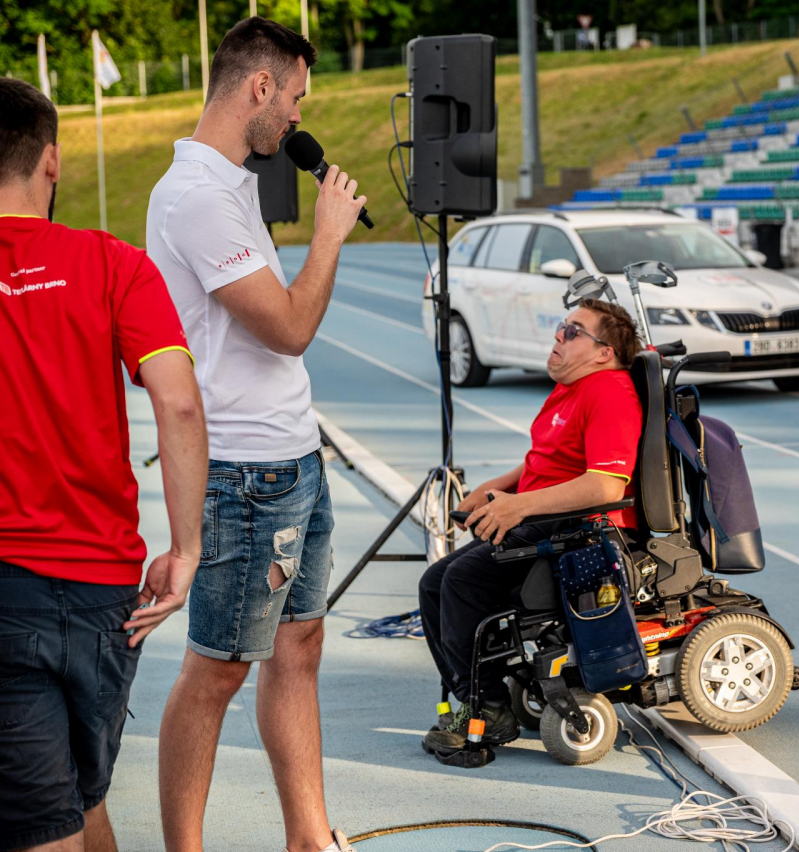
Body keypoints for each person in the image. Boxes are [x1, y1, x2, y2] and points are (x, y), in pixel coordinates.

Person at [144, 18, 366, 852]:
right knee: (216, 671)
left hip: (293, 458)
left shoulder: (232, 184)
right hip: (243, 475)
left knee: (299, 646)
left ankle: (309, 837)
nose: (299, 117)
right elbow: (289, 328)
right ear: (259, 87)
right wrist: (330, 233)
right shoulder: (197, 198)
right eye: (296, 96)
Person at [0, 79, 207, 852]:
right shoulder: (115, 264)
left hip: (7, 587)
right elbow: (179, 404)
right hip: (103, 589)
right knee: (80, 804)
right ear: (51, 161)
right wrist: (185, 549)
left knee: (46, 821)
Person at [418, 300, 643, 755]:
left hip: (580, 531)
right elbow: (547, 461)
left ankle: (489, 707)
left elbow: (605, 484)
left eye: (573, 331)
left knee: (461, 582)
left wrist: (517, 506)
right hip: (543, 518)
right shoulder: (571, 386)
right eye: (562, 327)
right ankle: (476, 696)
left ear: (604, 352)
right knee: (434, 583)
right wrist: (498, 487)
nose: (559, 336)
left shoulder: (609, 393)